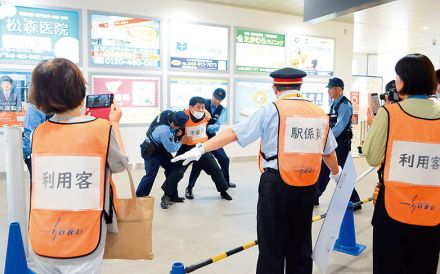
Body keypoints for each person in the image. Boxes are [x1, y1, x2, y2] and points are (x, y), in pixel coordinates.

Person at [173, 68, 342, 274]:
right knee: (300, 244)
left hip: (276, 185)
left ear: (274, 88)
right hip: (307, 185)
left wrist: (200, 148)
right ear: (300, 87)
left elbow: (234, 133)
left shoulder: (271, 110)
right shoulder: (318, 113)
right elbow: (329, 152)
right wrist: (336, 174)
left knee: (271, 245)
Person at [28, 58, 128, 273]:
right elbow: (120, 165)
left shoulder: (39, 132)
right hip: (84, 236)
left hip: (42, 235)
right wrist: (115, 124)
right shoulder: (101, 128)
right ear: (79, 90)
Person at [363, 53, 440, 274]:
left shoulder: (389, 113)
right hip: (433, 211)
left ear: (403, 81)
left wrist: (374, 124)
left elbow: (372, 157)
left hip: (393, 210)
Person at [160, 96, 232, 209]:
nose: (201, 110)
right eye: (198, 107)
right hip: (186, 148)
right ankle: (167, 195)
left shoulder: (206, 115)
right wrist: (179, 138)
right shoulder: (184, 116)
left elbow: (212, 122)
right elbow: (177, 130)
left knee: (215, 169)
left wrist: (205, 111)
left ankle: (223, 191)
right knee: (177, 172)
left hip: (202, 147)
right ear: (191, 107)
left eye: (203, 107)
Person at [314, 77, 360, 206]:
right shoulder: (334, 104)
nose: (328, 91)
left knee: (340, 172)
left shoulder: (345, 105)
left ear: (338, 90)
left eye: (330, 88)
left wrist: (325, 139)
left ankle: (354, 200)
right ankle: (315, 196)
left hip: (340, 145)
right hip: (333, 143)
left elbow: (339, 127)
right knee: (324, 169)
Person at [186, 88, 235, 200]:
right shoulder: (202, 104)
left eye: (220, 99)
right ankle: (189, 188)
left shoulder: (222, 109)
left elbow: (217, 125)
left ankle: (225, 184)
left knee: (224, 159)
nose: (217, 101)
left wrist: (207, 126)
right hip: (199, 139)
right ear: (212, 95)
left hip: (212, 138)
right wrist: (206, 124)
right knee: (198, 164)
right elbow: (194, 117)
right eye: (216, 98)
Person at [136, 110, 188, 198]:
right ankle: (139, 198)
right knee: (151, 175)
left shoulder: (168, 113)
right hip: (150, 151)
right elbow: (172, 148)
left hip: (161, 148)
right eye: (177, 127)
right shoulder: (165, 130)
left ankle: (171, 195)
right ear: (172, 124)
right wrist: (181, 141)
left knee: (173, 169)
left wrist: (176, 132)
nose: (179, 128)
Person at [22, 103, 53, 177]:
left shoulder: (36, 104)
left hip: (40, 156)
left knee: (40, 185)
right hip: (64, 154)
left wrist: (25, 154)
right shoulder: (67, 101)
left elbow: (31, 136)